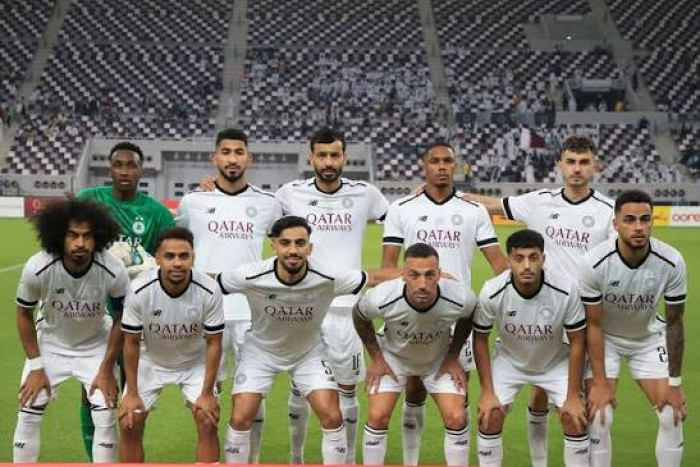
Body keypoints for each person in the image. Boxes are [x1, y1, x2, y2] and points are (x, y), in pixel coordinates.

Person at [469, 134, 615, 466]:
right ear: (559, 164)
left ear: (594, 166)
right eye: (571, 162)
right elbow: (491, 205)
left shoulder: (608, 211)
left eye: (584, 162)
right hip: (537, 314)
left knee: (591, 409)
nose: (577, 169)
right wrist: (448, 196)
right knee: (538, 396)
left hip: (583, 319)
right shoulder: (539, 201)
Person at [216, 216, 398, 465]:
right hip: (260, 353)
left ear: (310, 248)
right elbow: (211, 280)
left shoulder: (327, 276)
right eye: (285, 243)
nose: (293, 250)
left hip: (308, 354)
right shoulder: (251, 275)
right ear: (274, 246)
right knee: (240, 417)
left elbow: (373, 277)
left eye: (300, 243)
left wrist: (421, 274)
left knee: (332, 416)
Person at [381, 141, 508, 465]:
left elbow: (498, 264)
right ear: (423, 165)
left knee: (459, 399)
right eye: (435, 160)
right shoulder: (402, 208)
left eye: (447, 161)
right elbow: (388, 269)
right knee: (414, 391)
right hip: (415, 314)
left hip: (458, 317)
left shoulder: (473, 211)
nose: (441, 166)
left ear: (456, 166)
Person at [274, 127, 390, 463]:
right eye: (322, 155)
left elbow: (400, 220)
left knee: (348, 389)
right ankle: (296, 458)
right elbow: (252, 207)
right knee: (300, 387)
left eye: (334, 155)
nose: (328, 162)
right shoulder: (289, 194)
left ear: (344, 158)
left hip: (347, 311)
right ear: (311, 157)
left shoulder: (365, 194)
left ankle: (349, 458)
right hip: (304, 307)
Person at [176, 128, 282, 462]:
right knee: (207, 391)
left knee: (253, 392)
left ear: (249, 158)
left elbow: (288, 243)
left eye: (239, 152)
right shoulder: (194, 202)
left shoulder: (268, 204)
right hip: (206, 311)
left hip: (252, 313)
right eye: (226, 152)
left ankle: (251, 459)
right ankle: (210, 456)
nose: (232, 159)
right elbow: (175, 245)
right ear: (215, 158)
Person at [76, 141, 175, 458]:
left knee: (134, 392)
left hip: (137, 315)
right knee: (93, 388)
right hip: (95, 311)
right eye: (118, 164)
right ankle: (96, 458)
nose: (124, 171)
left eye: (131, 165)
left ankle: (129, 456)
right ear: (110, 168)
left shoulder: (157, 213)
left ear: (141, 170)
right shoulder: (90, 200)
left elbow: (169, 257)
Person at [12, 198, 129, 462]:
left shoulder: (112, 269)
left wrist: (106, 369)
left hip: (96, 344)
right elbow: (23, 313)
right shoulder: (38, 267)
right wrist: (36, 366)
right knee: (29, 407)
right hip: (51, 342)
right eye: (72, 235)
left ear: (98, 238)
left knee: (105, 413)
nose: (80, 243)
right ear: (59, 236)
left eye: (87, 236)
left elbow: (122, 317)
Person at [581, 190, 687, 467]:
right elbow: (593, 324)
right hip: (606, 338)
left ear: (653, 221)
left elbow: (675, 322)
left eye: (644, 219)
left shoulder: (672, 261)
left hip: (648, 338)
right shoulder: (595, 262)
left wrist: (675, 384)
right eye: (629, 220)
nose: (638, 227)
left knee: (672, 414)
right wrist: (600, 383)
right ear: (616, 223)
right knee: (600, 416)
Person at [353, 243, 478, 466]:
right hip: (393, 360)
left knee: (457, 418)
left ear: (439, 275)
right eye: (414, 275)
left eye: (429, 275)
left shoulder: (460, 296)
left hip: (438, 361)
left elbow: (468, 316)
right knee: (377, 417)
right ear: (403, 275)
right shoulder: (382, 296)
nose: (422, 284)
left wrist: (453, 356)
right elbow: (359, 315)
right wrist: (377, 358)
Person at [473, 229, 589, 467]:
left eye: (533, 258)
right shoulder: (492, 291)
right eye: (519, 258)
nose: (526, 265)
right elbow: (480, 339)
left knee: (575, 418)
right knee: (489, 415)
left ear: (543, 259)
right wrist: (486, 392)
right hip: (509, 361)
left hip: (555, 362)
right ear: (509, 261)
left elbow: (578, 341)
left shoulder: (566, 290)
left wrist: (573, 396)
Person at [119, 227, 224, 463]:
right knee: (129, 421)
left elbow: (214, 342)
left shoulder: (209, 289)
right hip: (151, 360)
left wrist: (207, 393)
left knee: (208, 419)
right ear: (157, 258)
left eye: (183, 256)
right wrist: (132, 393)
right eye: (169, 256)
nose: (177, 263)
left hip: (194, 362)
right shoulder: (139, 289)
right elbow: (131, 342)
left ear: (193, 258)